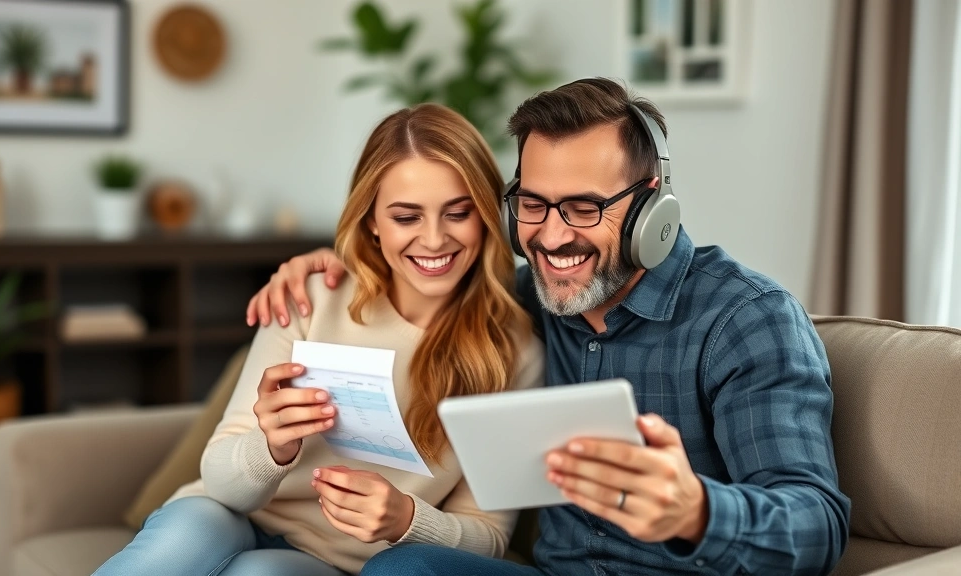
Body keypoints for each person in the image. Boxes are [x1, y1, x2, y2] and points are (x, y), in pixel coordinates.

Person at [245, 78, 851, 575]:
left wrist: (696, 512)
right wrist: (334, 269)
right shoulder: (519, 304)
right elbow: (413, 278)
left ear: (651, 205)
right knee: (404, 570)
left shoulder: (745, 320)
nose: (553, 236)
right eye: (533, 204)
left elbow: (818, 526)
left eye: (585, 208)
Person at [92, 103, 544, 576]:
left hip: (334, 560)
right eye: (406, 218)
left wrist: (408, 520)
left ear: (489, 216)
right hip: (233, 514)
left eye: (457, 213)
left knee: (258, 575)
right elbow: (221, 484)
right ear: (371, 219)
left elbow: (489, 535)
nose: (433, 240)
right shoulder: (313, 295)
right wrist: (270, 448)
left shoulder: (515, 351)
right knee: (185, 534)